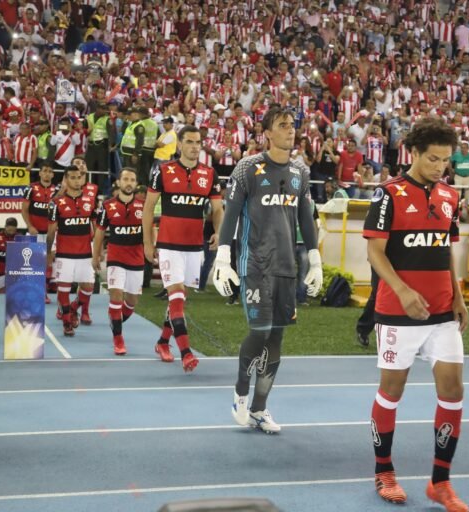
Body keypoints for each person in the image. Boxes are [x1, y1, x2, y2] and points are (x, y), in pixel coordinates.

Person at [362, 118, 469, 509]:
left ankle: (440, 481)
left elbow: (446, 251)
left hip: (442, 312)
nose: (440, 166)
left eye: (445, 160)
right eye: (433, 159)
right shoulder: (387, 194)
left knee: (453, 390)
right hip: (396, 312)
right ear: (414, 153)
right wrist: (403, 290)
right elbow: (375, 252)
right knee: (392, 392)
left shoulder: (449, 196)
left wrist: (458, 295)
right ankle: (384, 471)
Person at [214, 106, 322, 434]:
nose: (291, 130)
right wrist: (222, 257)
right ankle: (240, 393)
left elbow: (306, 217)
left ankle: (260, 409)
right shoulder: (248, 168)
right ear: (267, 133)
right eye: (283, 125)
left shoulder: (300, 172)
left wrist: (315, 260)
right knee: (259, 331)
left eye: (293, 125)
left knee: (276, 336)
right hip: (255, 264)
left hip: (286, 267)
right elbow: (230, 212)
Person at [142, 125, 223, 371]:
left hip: (193, 247)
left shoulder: (210, 174)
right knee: (176, 298)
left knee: (180, 301)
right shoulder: (162, 171)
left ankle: (163, 341)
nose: (194, 146)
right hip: (168, 245)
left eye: (198, 142)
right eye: (189, 142)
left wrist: (219, 231)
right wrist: (148, 242)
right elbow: (147, 209)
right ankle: (186, 353)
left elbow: (218, 209)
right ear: (179, 145)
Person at [93, 167, 144, 355]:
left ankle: (115, 319)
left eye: (132, 180)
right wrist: (96, 255)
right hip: (115, 258)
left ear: (136, 184)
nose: (129, 183)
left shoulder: (143, 205)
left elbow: (150, 230)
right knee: (116, 296)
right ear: (119, 182)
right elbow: (99, 232)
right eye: (126, 179)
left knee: (131, 301)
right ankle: (118, 339)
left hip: (137, 258)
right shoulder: (107, 206)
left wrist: (152, 247)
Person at [46, 165, 97, 337]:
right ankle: (67, 322)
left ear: (83, 179)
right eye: (73, 177)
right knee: (64, 289)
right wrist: (48, 253)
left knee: (89, 287)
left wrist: (97, 250)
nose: (76, 180)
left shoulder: (91, 201)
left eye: (79, 177)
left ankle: (73, 308)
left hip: (86, 254)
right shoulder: (56, 203)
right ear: (66, 180)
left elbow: (97, 228)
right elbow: (51, 231)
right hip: (64, 254)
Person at [22, 162, 58, 303]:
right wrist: (30, 226)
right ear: (40, 173)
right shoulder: (31, 188)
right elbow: (24, 210)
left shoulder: (57, 190)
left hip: (50, 234)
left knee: (48, 263)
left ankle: (43, 292)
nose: (47, 173)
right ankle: (32, 292)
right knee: (32, 264)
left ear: (53, 174)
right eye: (45, 170)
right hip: (34, 233)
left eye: (50, 171)